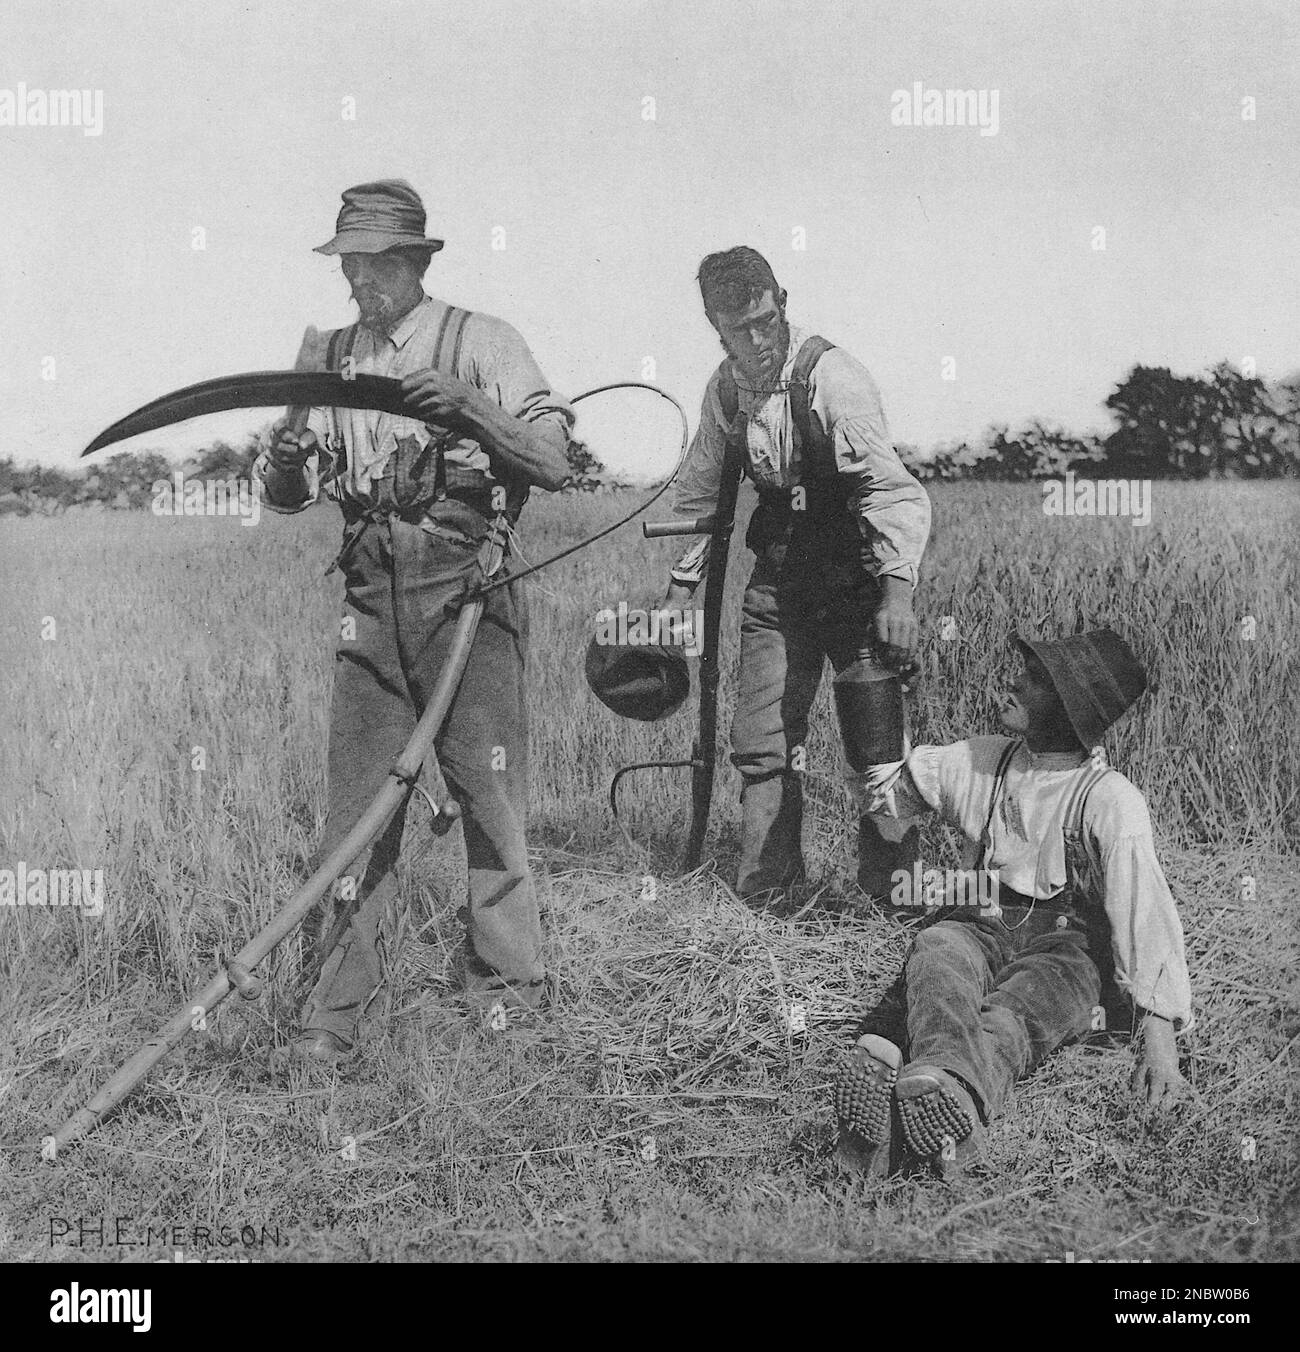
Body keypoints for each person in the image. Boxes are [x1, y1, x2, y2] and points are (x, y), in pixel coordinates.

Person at [254, 179, 573, 1060]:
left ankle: (507, 996)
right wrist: (284, 462)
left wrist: (469, 407)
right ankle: (334, 1018)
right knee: (355, 814)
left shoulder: (481, 341)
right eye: (348, 262)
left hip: (464, 585)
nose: (358, 279)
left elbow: (554, 458)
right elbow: (285, 496)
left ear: (414, 261)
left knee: (489, 797)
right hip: (368, 592)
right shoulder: (328, 354)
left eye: (374, 262)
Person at [833, 629, 1193, 1177]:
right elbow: (888, 795)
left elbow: (1142, 913)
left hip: (1068, 949)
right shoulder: (984, 761)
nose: (1012, 680)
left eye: (1036, 679)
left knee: (1013, 1013)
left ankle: (920, 1103)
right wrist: (882, 709)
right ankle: (939, 1099)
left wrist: (1159, 1043)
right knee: (937, 950)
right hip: (982, 917)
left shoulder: (1110, 799)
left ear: (1071, 710)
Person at [662, 247, 931, 902]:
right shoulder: (724, 392)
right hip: (777, 585)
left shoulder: (833, 377)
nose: (755, 340)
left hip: (854, 581)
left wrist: (897, 593)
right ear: (715, 327)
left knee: (877, 748)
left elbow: (892, 493)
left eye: (763, 320)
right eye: (737, 329)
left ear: (781, 303)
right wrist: (676, 594)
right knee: (761, 744)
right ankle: (770, 900)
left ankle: (896, 908)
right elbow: (701, 499)